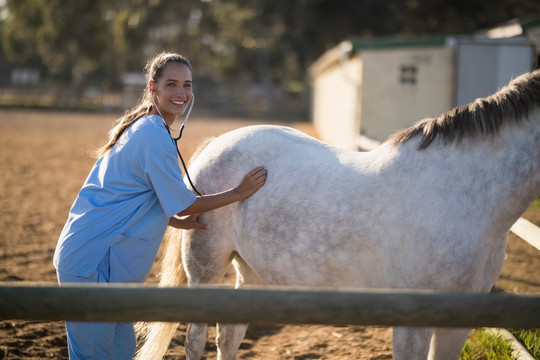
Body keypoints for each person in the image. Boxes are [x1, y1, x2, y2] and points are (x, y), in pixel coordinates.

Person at [53, 51, 267, 359]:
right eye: (171, 84)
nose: (181, 93)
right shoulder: (152, 135)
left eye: (187, 85)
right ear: (153, 88)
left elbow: (132, 193)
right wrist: (239, 192)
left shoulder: (148, 128)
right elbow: (186, 203)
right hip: (92, 260)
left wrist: (170, 219)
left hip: (102, 258)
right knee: (96, 355)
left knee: (122, 349)